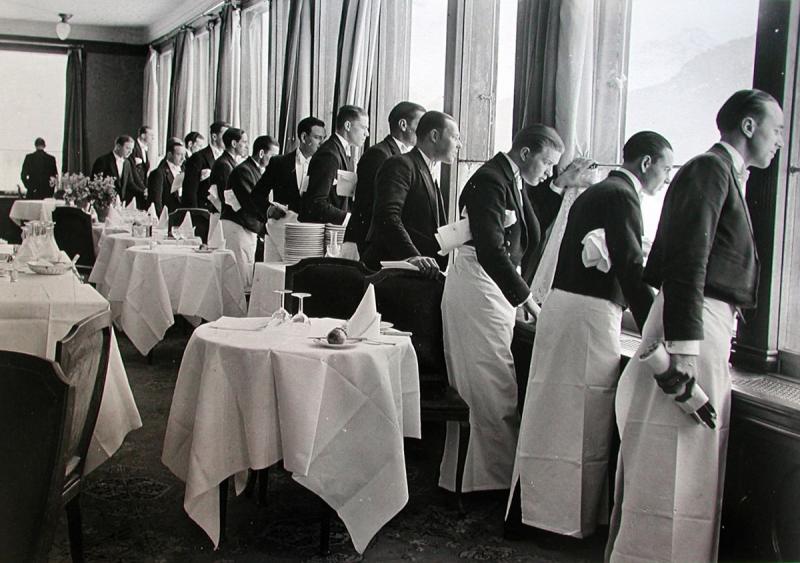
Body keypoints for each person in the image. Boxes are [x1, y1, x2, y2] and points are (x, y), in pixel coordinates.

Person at [605, 90, 784, 562]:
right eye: (777, 129)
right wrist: (683, 351)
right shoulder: (709, 169)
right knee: (672, 456)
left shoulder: (723, 174)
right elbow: (688, 259)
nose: (780, 142)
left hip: (703, 323)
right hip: (693, 324)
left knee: (689, 457)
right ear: (748, 127)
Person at [506, 132, 673, 541]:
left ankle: (549, 516)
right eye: (666, 169)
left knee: (562, 417)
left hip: (573, 313)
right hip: (585, 316)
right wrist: (657, 327)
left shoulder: (603, 192)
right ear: (647, 163)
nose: (666, 179)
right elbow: (632, 268)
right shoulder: (620, 196)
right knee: (575, 419)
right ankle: (557, 523)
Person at [438, 124, 561, 496]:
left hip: (490, 289)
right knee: (491, 385)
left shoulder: (511, 179)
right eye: (547, 163)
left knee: (493, 384)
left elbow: (525, 230)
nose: (549, 171)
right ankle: (490, 483)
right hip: (478, 287)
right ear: (525, 153)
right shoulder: (490, 180)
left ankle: (481, 478)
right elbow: (492, 249)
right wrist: (527, 301)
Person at [361, 111, 462, 274]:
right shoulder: (400, 164)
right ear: (434, 136)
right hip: (396, 272)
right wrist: (413, 257)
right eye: (455, 137)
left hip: (418, 273)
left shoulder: (427, 169)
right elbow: (387, 216)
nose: (459, 145)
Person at [342, 101, 426, 259]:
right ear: (403, 125)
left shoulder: (402, 157)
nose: (423, 131)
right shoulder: (379, 155)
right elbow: (369, 204)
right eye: (420, 124)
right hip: (364, 243)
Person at [221, 135, 277, 288]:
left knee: (247, 268)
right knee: (240, 272)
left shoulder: (255, 171)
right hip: (237, 226)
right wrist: (270, 214)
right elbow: (250, 203)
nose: (274, 161)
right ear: (261, 153)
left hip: (247, 226)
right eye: (272, 156)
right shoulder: (244, 171)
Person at [300, 105, 369, 224]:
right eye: (363, 128)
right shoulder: (329, 154)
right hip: (321, 233)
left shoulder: (341, 151)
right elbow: (316, 202)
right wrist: (350, 219)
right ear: (347, 126)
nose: (367, 134)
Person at [255, 116, 326, 214]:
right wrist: (269, 210)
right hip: (282, 226)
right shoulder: (279, 163)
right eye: (318, 138)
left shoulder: (324, 166)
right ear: (304, 137)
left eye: (324, 138)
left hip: (312, 228)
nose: (322, 143)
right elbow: (257, 195)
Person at [183, 121, 230, 210]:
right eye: (225, 135)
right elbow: (190, 192)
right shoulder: (198, 157)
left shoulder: (228, 159)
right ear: (214, 136)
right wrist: (195, 215)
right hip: (204, 213)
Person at [91, 135, 140, 204]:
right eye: (128, 148)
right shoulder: (103, 161)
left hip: (120, 204)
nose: (130, 152)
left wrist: (143, 192)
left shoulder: (127, 163)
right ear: (118, 146)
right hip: (104, 204)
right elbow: (95, 183)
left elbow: (130, 184)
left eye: (132, 149)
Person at [147, 138, 187, 215]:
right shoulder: (158, 173)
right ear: (169, 154)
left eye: (184, 155)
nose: (183, 158)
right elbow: (156, 201)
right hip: (166, 218)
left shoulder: (183, 171)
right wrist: (162, 220)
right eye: (179, 154)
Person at [210, 127, 249, 207]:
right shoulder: (224, 165)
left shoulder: (228, 162)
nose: (247, 146)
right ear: (234, 144)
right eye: (244, 142)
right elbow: (227, 197)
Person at [130, 126, 154, 208]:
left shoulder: (144, 149)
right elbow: (133, 171)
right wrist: (143, 189)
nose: (153, 138)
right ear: (143, 135)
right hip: (134, 189)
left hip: (142, 188)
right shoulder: (133, 148)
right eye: (151, 135)